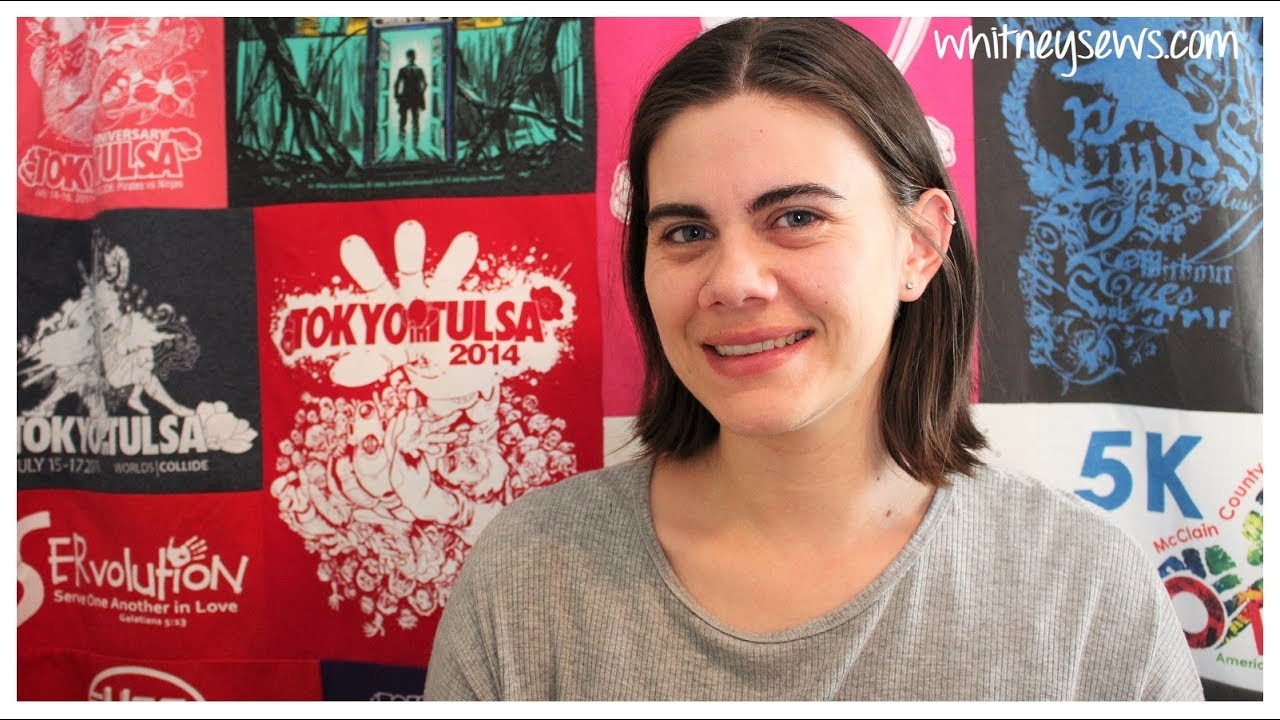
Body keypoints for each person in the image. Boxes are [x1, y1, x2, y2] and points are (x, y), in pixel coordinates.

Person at [423, 17, 1203, 701]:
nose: (734, 282)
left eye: (797, 217)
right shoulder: (526, 579)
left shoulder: (1088, 591)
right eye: (687, 233)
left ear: (920, 245)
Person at [394, 48, 427, 150]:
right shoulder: (404, 70)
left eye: (413, 56)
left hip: (412, 99)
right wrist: (397, 96)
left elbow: (425, 84)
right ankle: (403, 142)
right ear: (408, 57)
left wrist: (420, 93)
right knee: (404, 121)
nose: (412, 58)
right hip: (406, 99)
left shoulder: (418, 70)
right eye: (411, 56)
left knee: (414, 121)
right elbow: (397, 84)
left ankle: (414, 142)